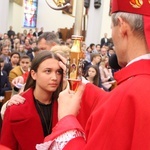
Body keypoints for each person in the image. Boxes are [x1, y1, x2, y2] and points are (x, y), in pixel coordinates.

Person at [36, 0, 150, 149]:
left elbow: (119, 105)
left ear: (122, 26)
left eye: (111, 28)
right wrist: (81, 84)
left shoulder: (127, 95)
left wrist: (67, 121)